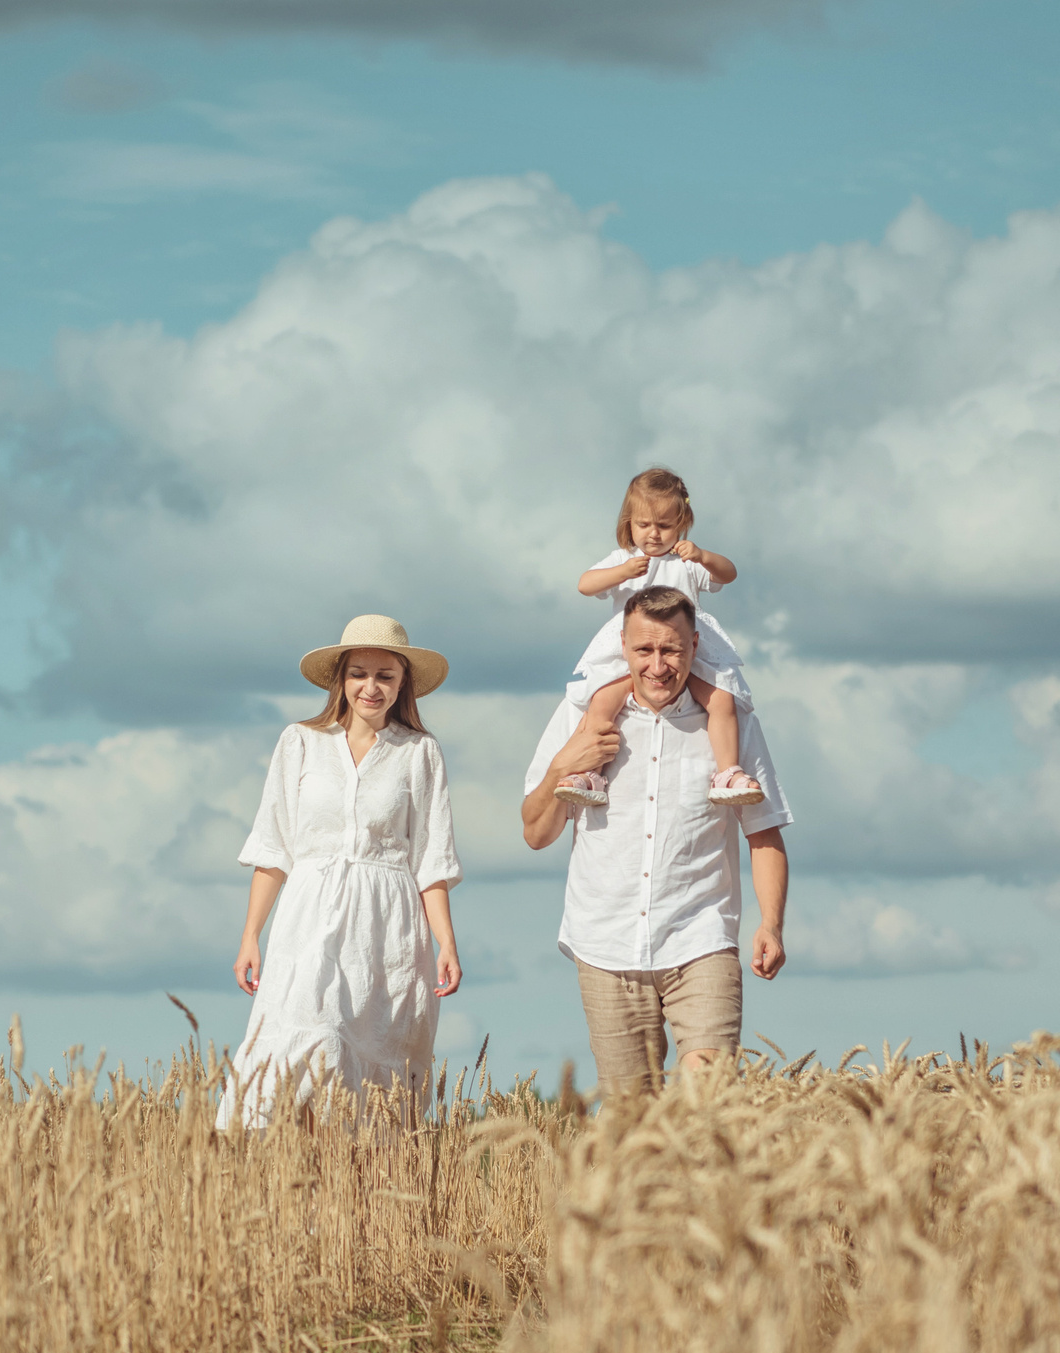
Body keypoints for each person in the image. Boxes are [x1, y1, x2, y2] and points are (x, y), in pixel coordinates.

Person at [521, 586, 792, 1100]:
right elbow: (537, 833)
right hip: (605, 944)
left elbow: (764, 830)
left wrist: (772, 925)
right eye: (645, 650)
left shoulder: (730, 724)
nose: (659, 665)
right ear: (622, 646)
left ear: (694, 644)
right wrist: (566, 763)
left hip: (700, 938)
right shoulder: (581, 717)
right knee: (631, 1121)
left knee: (706, 1100)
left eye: (671, 650)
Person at [222, 614, 463, 1131]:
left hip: (387, 925)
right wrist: (250, 936)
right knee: (312, 1038)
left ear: (403, 685)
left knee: (373, 1089)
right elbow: (273, 847)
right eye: (359, 673)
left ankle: (355, 1203)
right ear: (341, 679)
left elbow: (431, 860)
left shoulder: (420, 753)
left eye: (385, 676)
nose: (370, 687)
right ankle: (293, 1197)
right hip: (308, 915)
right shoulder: (300, 743)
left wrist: (446, 943)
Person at [555, 467, 763, 808]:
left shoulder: (686, 561)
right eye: (643, 525)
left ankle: (728, 771)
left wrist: (703, 556)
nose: (653, 534)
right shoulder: (624, 559)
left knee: (721, 699)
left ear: (681, 524)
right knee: (604, 700)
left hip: (685, 650)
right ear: (629, 524)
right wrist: (621, 572)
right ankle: (591, 772)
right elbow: (585, 584)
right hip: (632, 655)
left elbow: (729, 573)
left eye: (664, 526)